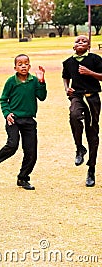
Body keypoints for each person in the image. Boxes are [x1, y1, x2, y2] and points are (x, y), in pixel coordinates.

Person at [0, 54, 47, 190]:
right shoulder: (11, 81)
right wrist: (7, 113)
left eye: (26, 63)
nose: (23, 66)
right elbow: (3, 99)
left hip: (29, 120)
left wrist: (41, 82)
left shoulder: (34, 81)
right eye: (20, 64)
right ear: (15, 67)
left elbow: (42, 97)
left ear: (29, 66)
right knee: (12, 145)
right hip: (14, 119)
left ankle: (23, 178)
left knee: (31, 153)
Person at [62, 35, 102, 187]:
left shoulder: (95, 59)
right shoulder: (68, 62)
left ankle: (91, 169)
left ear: (88, 46)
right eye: (78, 41)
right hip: (77, 96)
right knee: (74, 115)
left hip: (92, 98)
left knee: (92, 133)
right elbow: (65, 77)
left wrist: (90, 72)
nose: (80, 42)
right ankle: (79, 148)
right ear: (74, 46)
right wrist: (67, 89)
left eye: (84, 41)